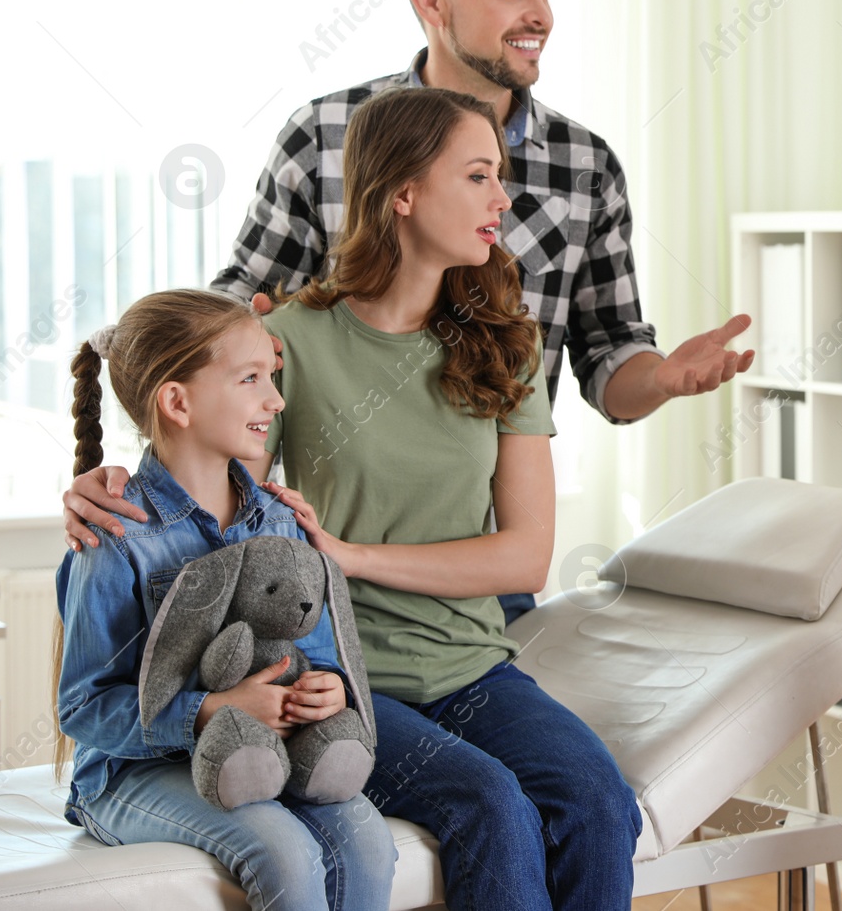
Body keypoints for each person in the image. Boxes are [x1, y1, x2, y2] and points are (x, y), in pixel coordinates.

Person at [61, 0, 752, 623]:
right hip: (321, 567)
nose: (541, 15)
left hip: (477, 563)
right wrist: (132, 481)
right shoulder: (324, 136)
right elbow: (227, 325)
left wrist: (664, 377)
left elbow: (611, 362)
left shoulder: (586, 166)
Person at [241, 85, 639, 910]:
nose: (504, 199)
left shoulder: (507, 345)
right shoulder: (289, 341)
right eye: (479, 176)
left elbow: (524, 553)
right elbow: (195, 487)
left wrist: (350, 557)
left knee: (600, 800)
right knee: (490, 803)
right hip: (341, 677)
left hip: (471, 670)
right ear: (403, 194)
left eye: (501, 175)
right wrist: (102, 489)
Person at [55, 289, 397, 911]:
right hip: (129, 773)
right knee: (286, 854)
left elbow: (315, 655)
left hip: (262, 752)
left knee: (368, 840)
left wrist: (326, 690)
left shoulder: (279, 520)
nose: (277, 399)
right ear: (177, 402)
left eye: (272, 376)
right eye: (250, 379)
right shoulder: (115, 536)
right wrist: (208, 709)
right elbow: (82, 708)